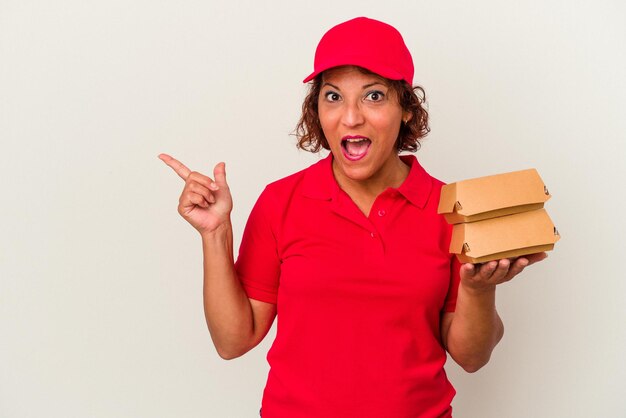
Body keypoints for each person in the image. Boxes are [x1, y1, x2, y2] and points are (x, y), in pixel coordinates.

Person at [159, 17, 547, 418]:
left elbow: (471, 357)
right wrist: (216, 234)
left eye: (374, 96)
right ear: (317, 110)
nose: (351, 117)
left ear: (407, 110)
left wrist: (480, 290)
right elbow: (232, 341)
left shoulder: (448, 209)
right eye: (333, 97)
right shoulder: (281, 202)